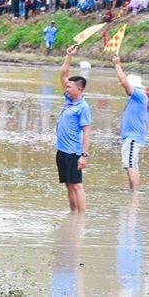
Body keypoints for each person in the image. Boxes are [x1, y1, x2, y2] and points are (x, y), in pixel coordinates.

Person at [57, 45, 91, 214]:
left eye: (69, 87)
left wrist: (84, 156)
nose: (66, 88)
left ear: (79, 89)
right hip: (62, 150)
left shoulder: (83, 107)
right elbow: (63, 75)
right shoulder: (69, 101)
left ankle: (82, 217)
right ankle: (73, 215)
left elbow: (86, 133)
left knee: (77, 185)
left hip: (73, 152)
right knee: (68, 184)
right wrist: (69, 56)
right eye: (67, 87)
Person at [112, 54, 148, 191]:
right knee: (131, 164)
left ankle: (134, 194)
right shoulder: (138, 97)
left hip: (133, 137)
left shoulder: (138, 94)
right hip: (132, 137)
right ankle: (133, 192)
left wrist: (117, 65)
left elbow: (125, 84)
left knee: (130, 165)